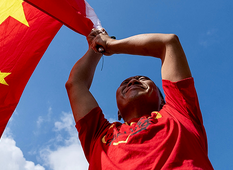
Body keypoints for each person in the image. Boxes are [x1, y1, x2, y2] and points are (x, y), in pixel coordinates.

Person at [65, 29, 214, 170]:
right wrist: (95, 48)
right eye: (125, 84)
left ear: (163, 102)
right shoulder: (98, 135)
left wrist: (110, 45)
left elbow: (168, 43)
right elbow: (75, 84)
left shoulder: (179, 111)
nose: (133, 82)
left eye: (143, 79)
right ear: (118, 113)